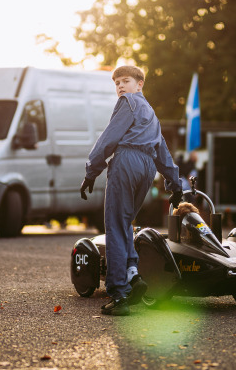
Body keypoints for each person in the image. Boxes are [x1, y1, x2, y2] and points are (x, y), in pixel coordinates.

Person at [80, 65, 183, 316]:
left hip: (126, 161)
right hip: (147, 168)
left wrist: (91, 170)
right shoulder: (151, 114)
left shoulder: (128, 102)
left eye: (125, 81)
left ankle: (119, 294)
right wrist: (175, 183)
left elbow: (109, 138)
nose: (120, 87)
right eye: (116, 84)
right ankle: (133, 276)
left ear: (140, 85)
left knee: (115, 224)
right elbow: (162, 152)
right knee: (125, 222)